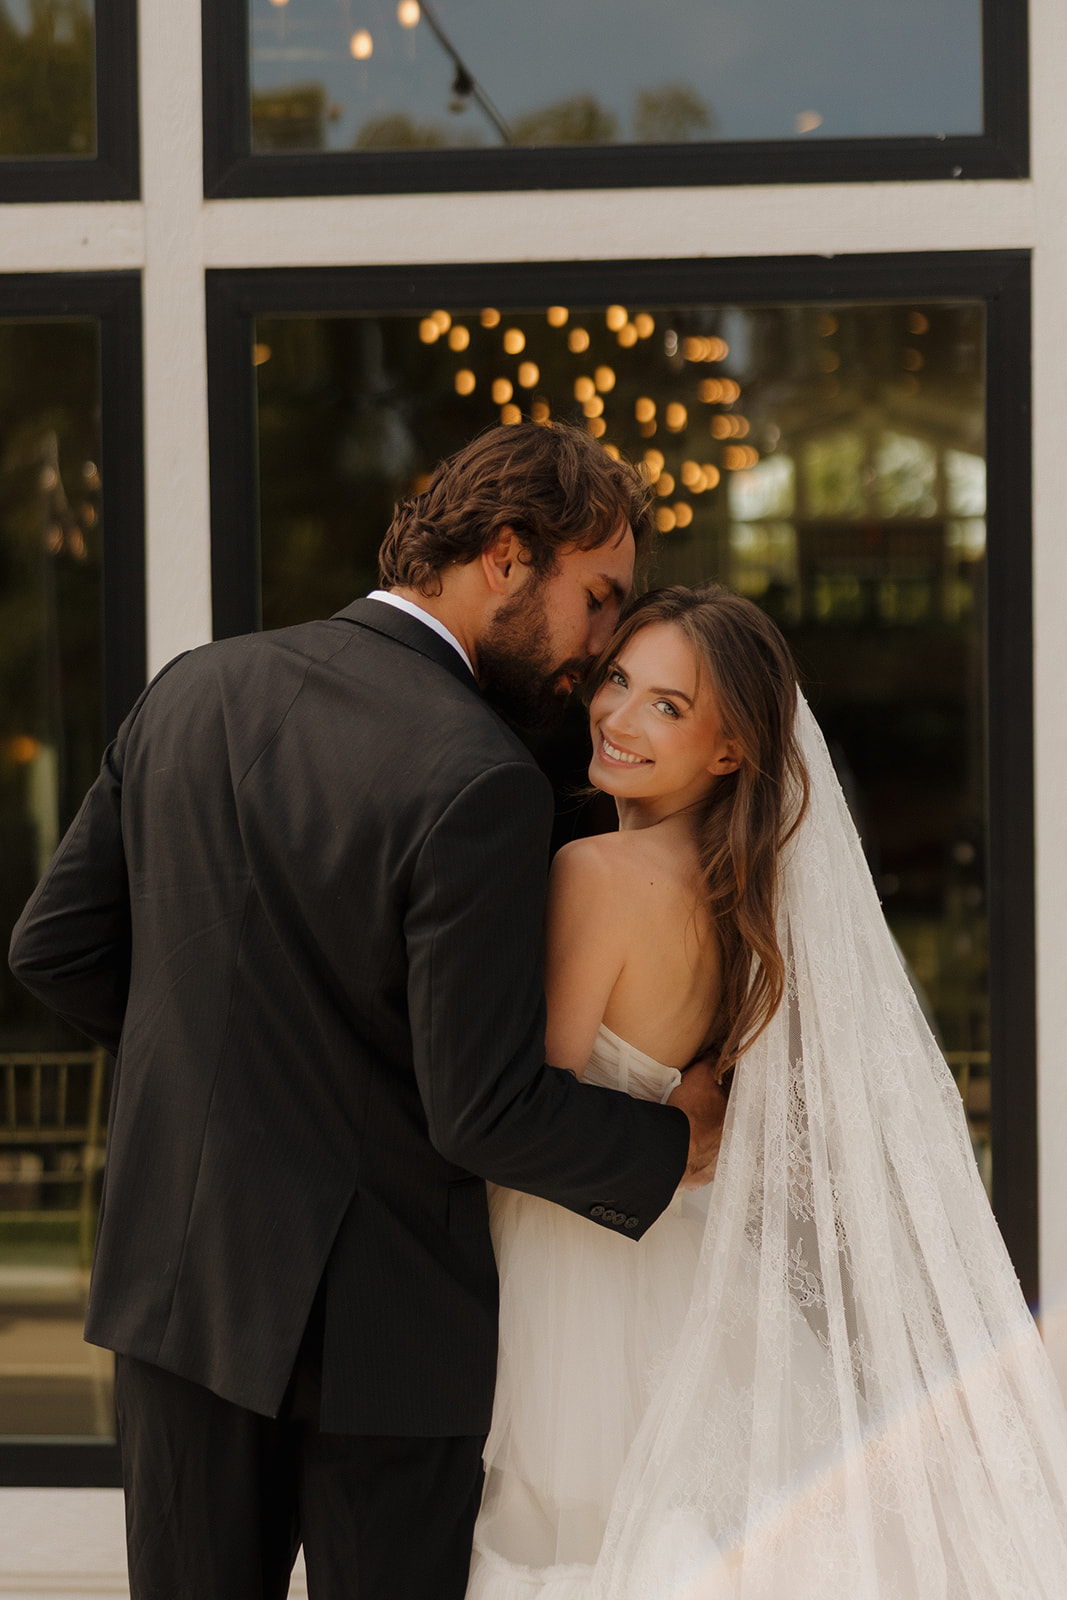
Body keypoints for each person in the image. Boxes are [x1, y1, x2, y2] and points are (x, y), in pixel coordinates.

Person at [7, 423, 726, 1600]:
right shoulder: (479, 774)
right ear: (504, 556)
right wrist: (674, 1139)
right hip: (386, 1335)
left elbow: (56, 949)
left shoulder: (192, 691)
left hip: (182, 1293)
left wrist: (210, 1075)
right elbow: (481, 1109)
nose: (597, 649)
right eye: (597, 600)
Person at [467, 584, 1067, 1600]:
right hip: (685, 1258)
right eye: (617, 680)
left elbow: (537, 1100)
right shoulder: (740, 892)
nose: (615, 715)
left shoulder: (594, 871)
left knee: (572, 1543)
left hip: (576, 1273)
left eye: (666, 704)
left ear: (727, 749)